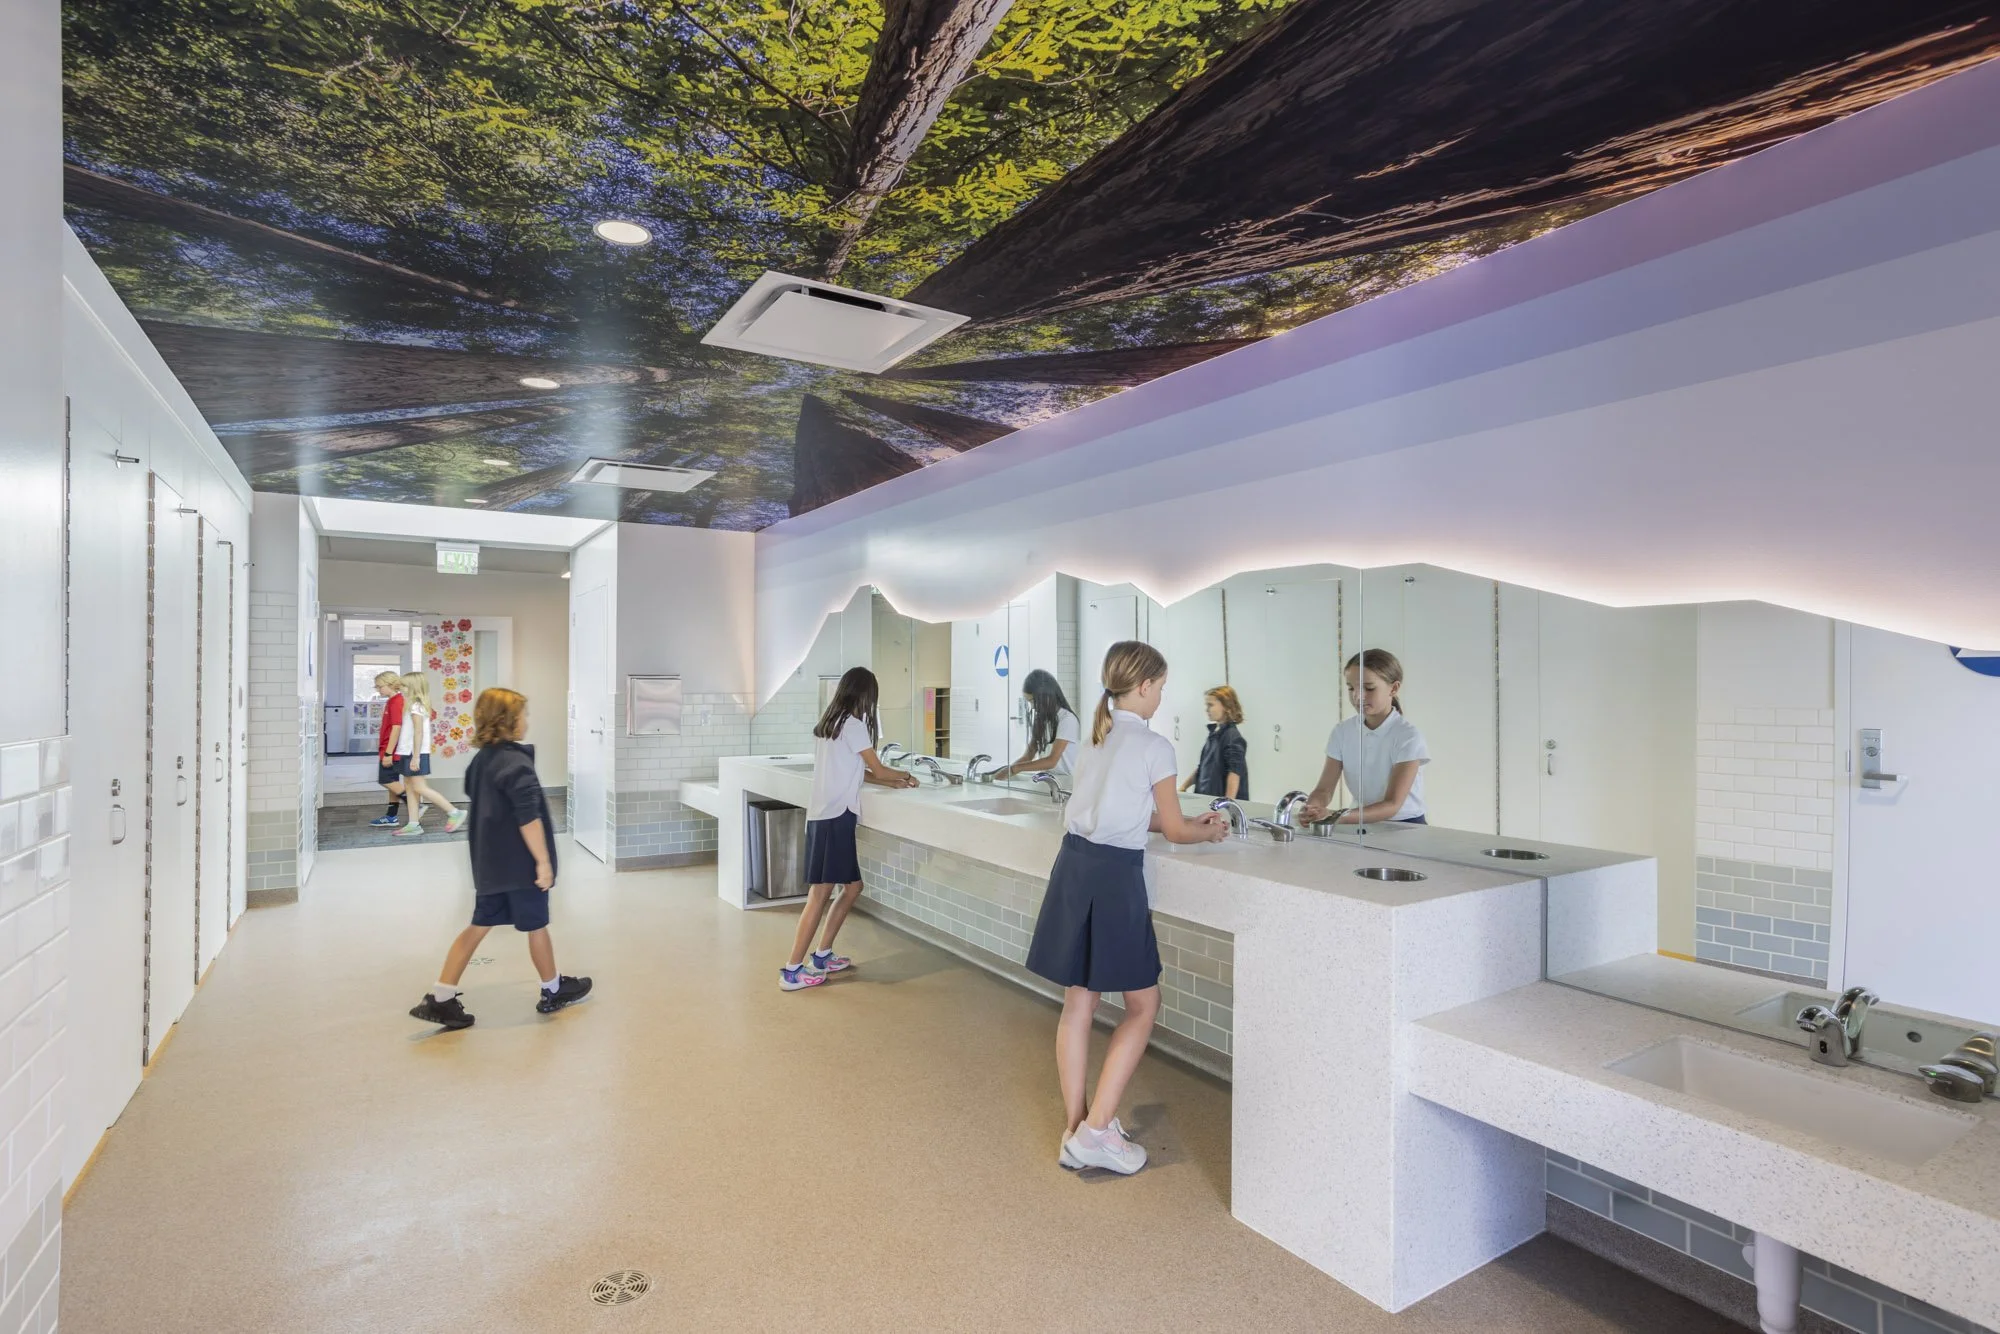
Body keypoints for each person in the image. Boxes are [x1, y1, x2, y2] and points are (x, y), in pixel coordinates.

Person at [1025, 641, 1228, 1176]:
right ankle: (1095, 1133)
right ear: (1144, 686)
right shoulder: (1155, 746)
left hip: (1073, 867)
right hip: (1115, 877)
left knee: (1079, 1002)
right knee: (1142, 1004)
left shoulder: (1097, 736)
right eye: (1160, 687)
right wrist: (1204, 833)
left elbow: (1137, 812)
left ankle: (1079, 1127)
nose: (1161, 696)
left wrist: (1184, 826)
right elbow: (1176, 827)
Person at [409, 687, 590, 1029]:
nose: (527, 721)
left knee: (479, 924)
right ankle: (553, 989)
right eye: (524, 714)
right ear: (509, 721)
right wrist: (543, 862)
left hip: (490, 865)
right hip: (521, 867)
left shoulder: (482, 761)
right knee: (536, 925)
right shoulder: (516, 763)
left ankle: (441, 997)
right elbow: (528, 818)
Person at [782, 667, 919, 992]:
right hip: (835, 818)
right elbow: (879, 768)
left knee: (853, 887)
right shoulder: (854, 725)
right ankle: (791, 970)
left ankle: (822, 955)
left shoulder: (829, 725)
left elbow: (857, 772)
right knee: (820, 894)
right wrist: (907, 776)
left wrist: (896, 782)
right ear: (866, 695)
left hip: (824, 815)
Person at [1301, 649, 1430, 826]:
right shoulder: (1342, 731)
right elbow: (1324, 789)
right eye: (1351, 688)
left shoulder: (1408, 737)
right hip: (1360, 823)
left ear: (1394, 688)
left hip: (1405, 825)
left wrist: (1335, 816)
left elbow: (1392, 805)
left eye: (1369, 688)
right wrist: (1313, 808)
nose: (1358, 696)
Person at [388, 671, 465, 838]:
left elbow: (418, 732)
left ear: (413, 688)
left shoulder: (416, 706)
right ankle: (413, 824)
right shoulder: (411, 705)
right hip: (407, 751)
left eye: (404, 686)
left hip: (415, 753)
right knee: (410, 787)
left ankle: (454, 812)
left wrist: (415, 757)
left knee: (419, 787)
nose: (401, 689)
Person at [991, 668, 1081, 781]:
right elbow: (1028, 756)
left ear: (1046, 696)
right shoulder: (1041, 720)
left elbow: (1051, 761)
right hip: (1049, 779)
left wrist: (1015, 769)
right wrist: (1003, 774)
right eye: (1029, 702)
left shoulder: (1067, 719)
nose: (1032, 706)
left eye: (1033, 701)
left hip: (1067, 782)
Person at [1180, 684, 1249, 801]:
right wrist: (1183, 787)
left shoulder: (1232, 737)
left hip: (1220, 807)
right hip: (1207, 800)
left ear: (1227, 707)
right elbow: (1202, 768)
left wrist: (1227, 804)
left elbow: (1234, 774)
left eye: (1210, 705)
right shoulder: (1214, 735)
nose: (1207, 709)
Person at [370, 671, 410, 827]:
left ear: (390, 684)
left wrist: (388, 753)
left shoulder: (396, 701)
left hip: (390, 750)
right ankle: (391, 816)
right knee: (392, 780)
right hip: (388, 748)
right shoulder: (392, 700)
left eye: (380, 686)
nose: (378, 689)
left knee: (385, 779)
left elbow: (396, 728)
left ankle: (415, 804)